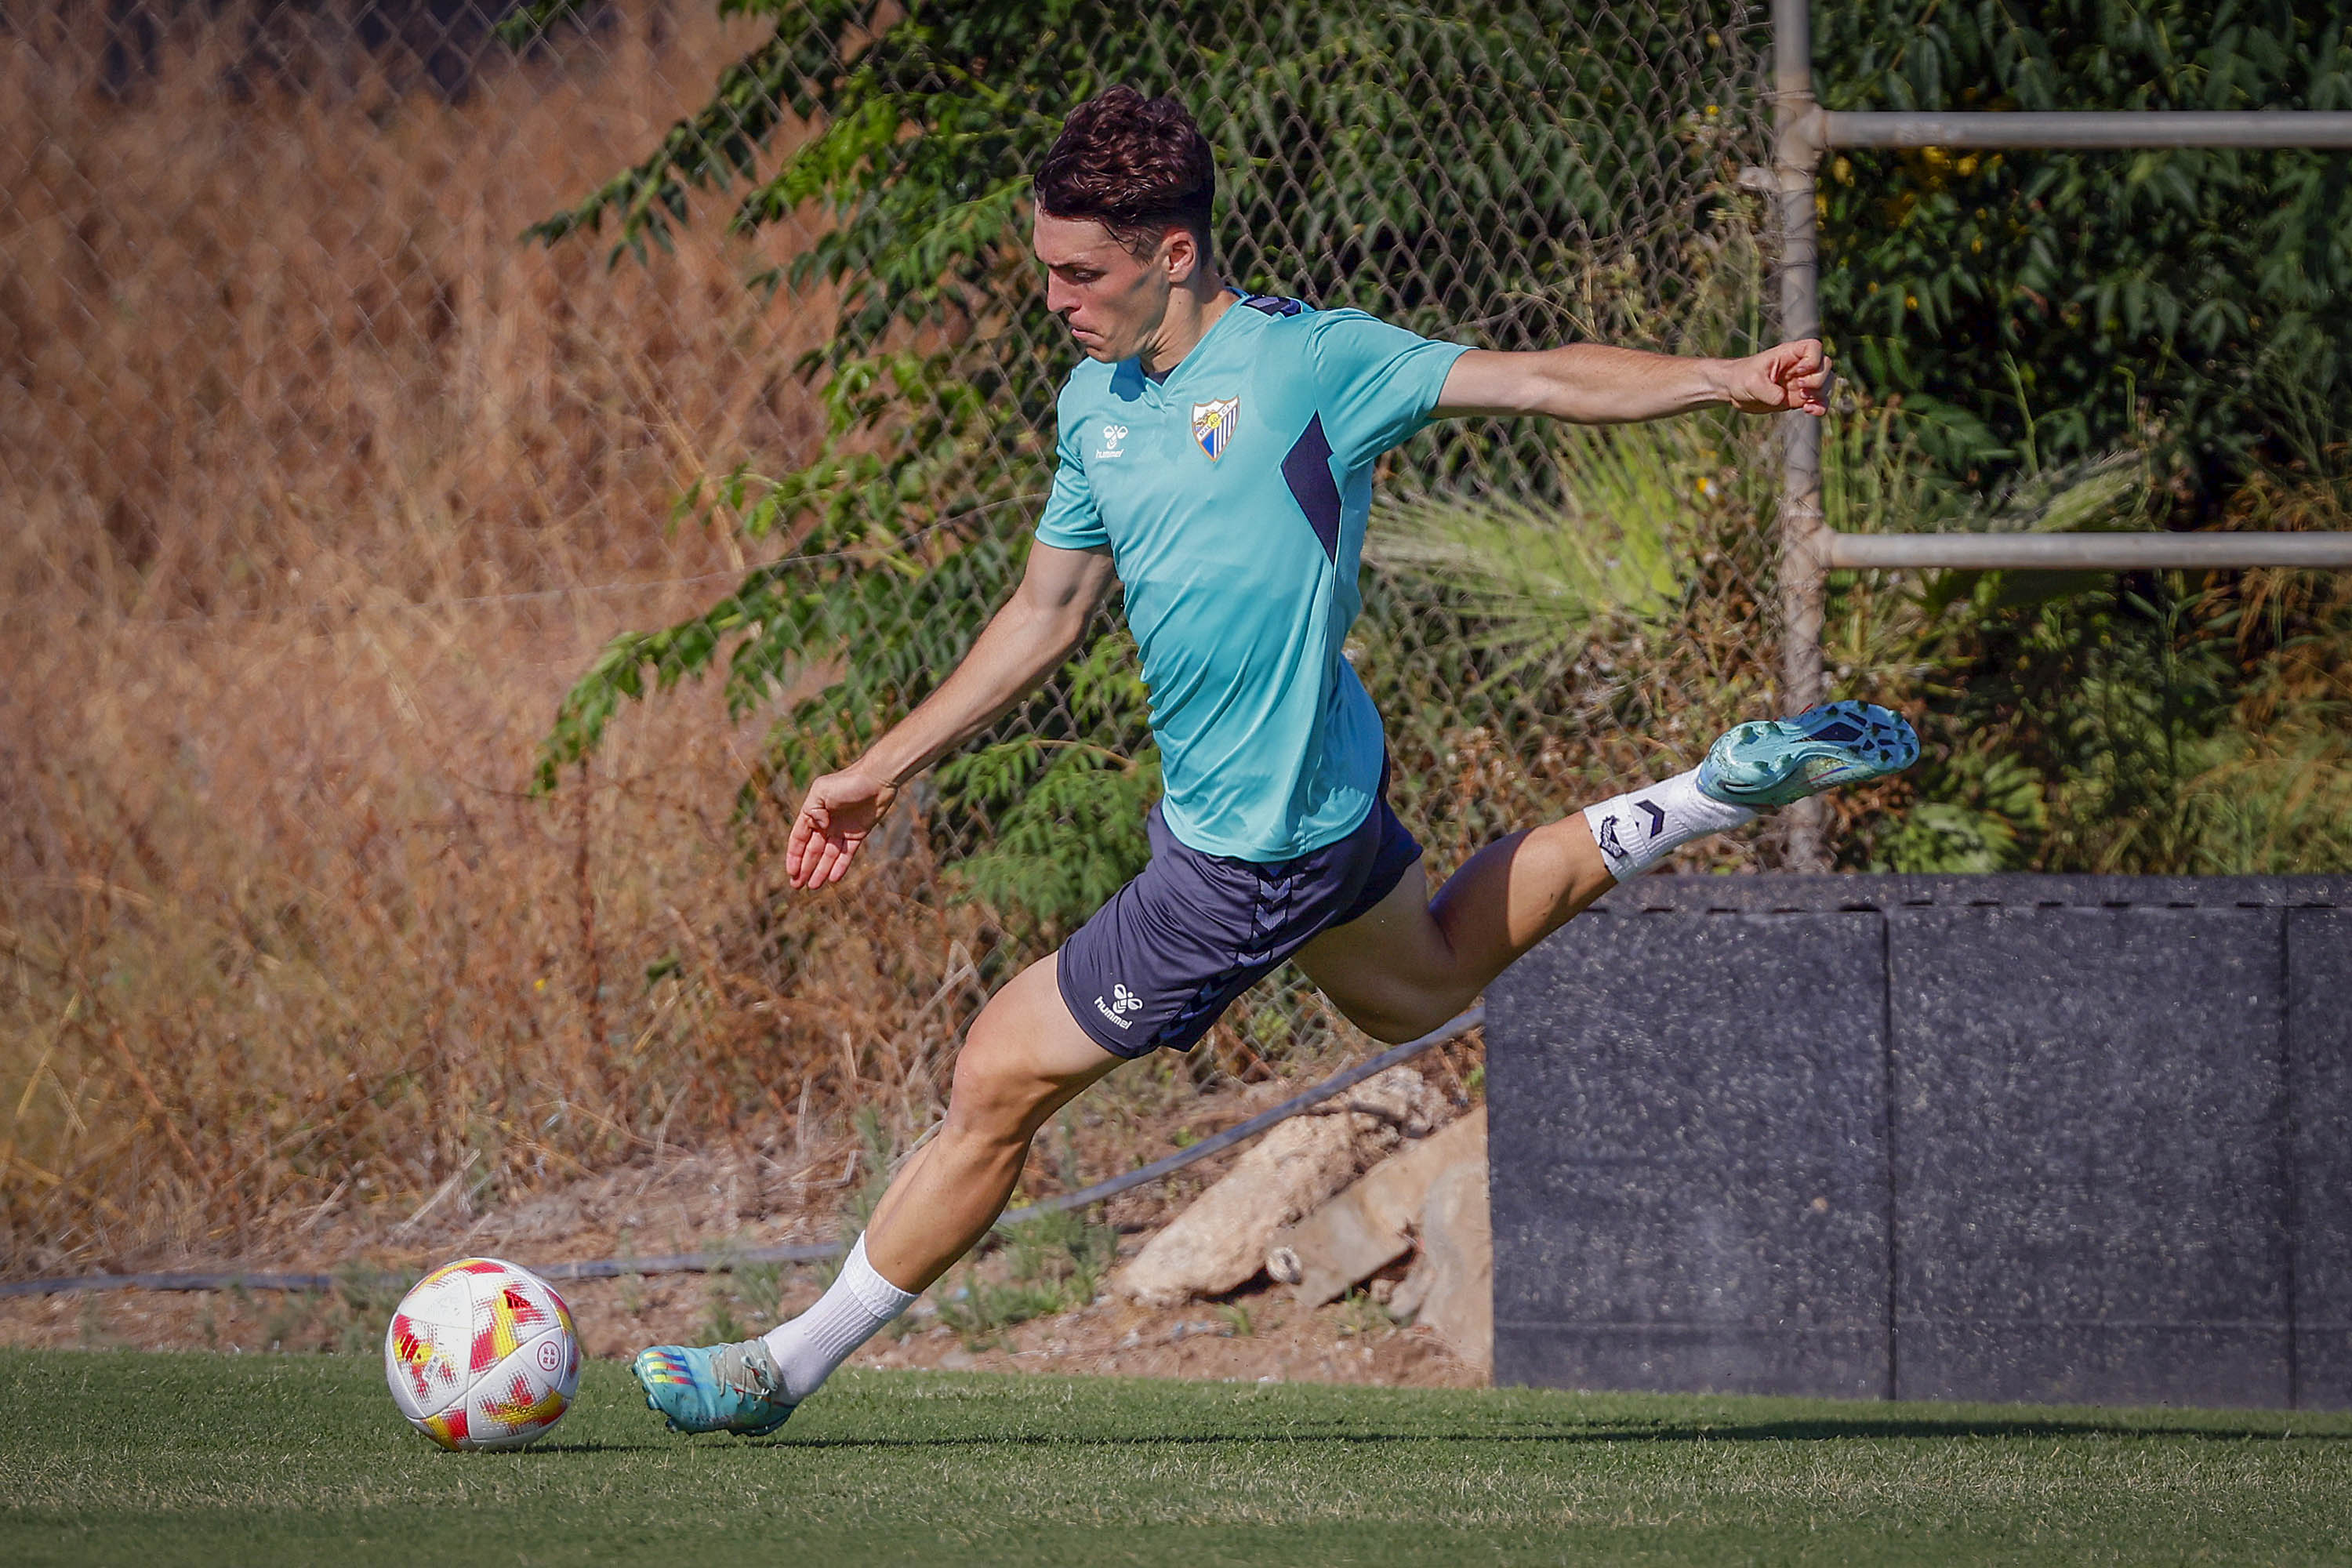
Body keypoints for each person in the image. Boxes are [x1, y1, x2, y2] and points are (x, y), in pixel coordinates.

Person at [631, 85, 1917, 1435]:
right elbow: (1045, 614)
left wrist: (1723, 378)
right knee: (1417, 988)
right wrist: (880, 767)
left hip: (1247, 859)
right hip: (1324, 800)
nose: (1058, 300)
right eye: (1048, 272)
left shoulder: (1310, 364)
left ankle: (780, 1367)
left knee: (994, 1081)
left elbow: (1530, 377)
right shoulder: (1097, 405)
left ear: (1172, 255)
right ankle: (1707, 793)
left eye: (1082, 274)